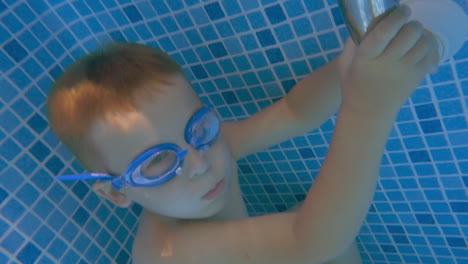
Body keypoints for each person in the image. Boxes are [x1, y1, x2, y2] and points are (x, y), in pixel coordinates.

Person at [46, 5, 441, 264]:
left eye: (198, 127)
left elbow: (293, 112)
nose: (200, 163)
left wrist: (349, 67)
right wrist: (370, 107)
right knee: (319, 230)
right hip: (301, 244)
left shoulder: (210, 150)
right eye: (158, 162)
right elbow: (311, 243)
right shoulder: (168, 251)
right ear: (116, 191)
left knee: (318, 222)